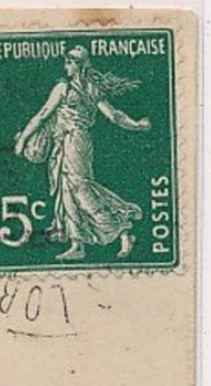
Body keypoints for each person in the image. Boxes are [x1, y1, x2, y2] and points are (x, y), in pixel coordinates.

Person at [13, 45, 151, 261]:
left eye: (70, 62)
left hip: (73, 141)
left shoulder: (65, 88)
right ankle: (78, 244)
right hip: (70, 141)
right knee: (68, 190)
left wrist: (22, 139)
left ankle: (122, 228)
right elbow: (114, 115)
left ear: (79, 66)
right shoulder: (89, 88)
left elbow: (42, 115)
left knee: (80, 188)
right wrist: (137, 125)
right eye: (66, 61)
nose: (65, 66)